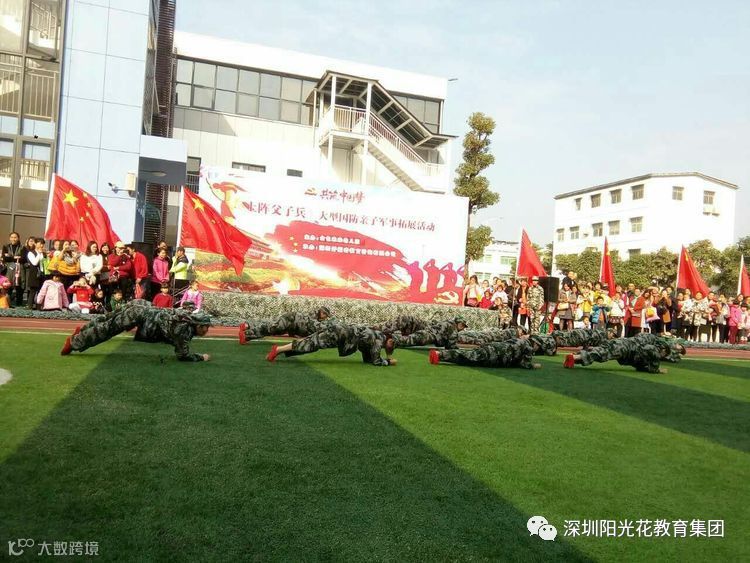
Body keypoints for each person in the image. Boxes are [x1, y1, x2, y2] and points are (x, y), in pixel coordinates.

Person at [61, 299, 212, 361]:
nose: (207, 331)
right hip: (140, 314)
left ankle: (82, 331)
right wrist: (201, 357)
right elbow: (183, 355)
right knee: (108, 329)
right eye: (205, 327)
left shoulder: (186, 316)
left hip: (142, 306)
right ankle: (74, 342)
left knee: (108, 319)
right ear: (198, 325)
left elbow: (186, 306)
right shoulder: (183, 330)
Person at [266, 322, 396, 366]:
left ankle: (279, 350)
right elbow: (376, 360)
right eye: (392, 344)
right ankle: (277, 349)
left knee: (311, 342)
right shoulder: (380, 338)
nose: (391, 347)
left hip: (340, 331)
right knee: (311, 344)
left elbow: (368, 357)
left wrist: (384, 356)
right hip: (340, 334)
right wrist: (389, 362)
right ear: (389, 340)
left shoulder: (375, 335)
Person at [564, 334, 686, 374]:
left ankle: (574, 358)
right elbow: (650, 350)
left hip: (623, 343)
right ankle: (574, 357)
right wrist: (656, 369)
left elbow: (640, 363)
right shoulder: (655, 346)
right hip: (624, 347)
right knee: (602, 354)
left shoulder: (651, 338)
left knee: (601, 352)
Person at [429, 337, 541, 370]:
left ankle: (440, 356)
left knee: (467, 357)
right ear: (535, 343)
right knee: (466, 356)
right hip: (493, 355)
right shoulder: (528, 347)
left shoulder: (519, 340)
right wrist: (534, 366)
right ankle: (439, 354)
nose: (537, 348)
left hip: (492, 349)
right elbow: (525, 364)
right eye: (538, 346)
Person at [239, 307, 332, 343]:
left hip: (290, 324)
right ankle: (246, 333)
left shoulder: (315, 317)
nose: (326, 318)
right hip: (289, 320)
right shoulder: (314, 317)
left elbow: (301, 327)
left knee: (272, 329)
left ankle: (247, 332)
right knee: (272, 329)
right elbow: (305, 329)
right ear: (322, 313)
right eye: (326, 315)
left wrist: (293, 334)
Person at [393, 317, 467, 350]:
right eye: (462, 325)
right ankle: (392, 340)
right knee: (408, 340)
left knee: (409, 339)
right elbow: (451, 345)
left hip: (427, 333)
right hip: (429, 336)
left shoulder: (448, 323)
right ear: (458, 323)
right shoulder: (452, 327)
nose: (463, 328)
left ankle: (392, 339)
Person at [2, 231, 25, 307]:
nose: (13, 239)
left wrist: (10, 257)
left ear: (18, 238)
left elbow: (23, 259)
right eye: (12, 237)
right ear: (9, 238)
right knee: (8, 285)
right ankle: (7, 303)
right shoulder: (6, 246)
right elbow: (5, 258)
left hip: (19, 268)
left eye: (15, 237)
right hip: (9, 269)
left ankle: (19, 303)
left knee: (19, 285)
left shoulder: (22, 247)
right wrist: (16, 257)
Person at [24, 238, 45, 309]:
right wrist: (39, 253)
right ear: (35, 244)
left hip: (42, 273)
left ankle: (39, 306)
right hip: (34, 273)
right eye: (40, 243)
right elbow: (34, 263)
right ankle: (30, 306)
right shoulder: (31, 253)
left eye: (43, 244)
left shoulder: (43, 253)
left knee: (41, 290)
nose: (41, 245)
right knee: (33, 290)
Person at [458, 326, 524, 346]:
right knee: (473, 337)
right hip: (489, 337)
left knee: (473, 335)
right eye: (522, 332)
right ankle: (458, 336)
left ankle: (458, 336)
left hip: (489, 336)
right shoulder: (513, 332)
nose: (521, 334)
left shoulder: (512, 331)